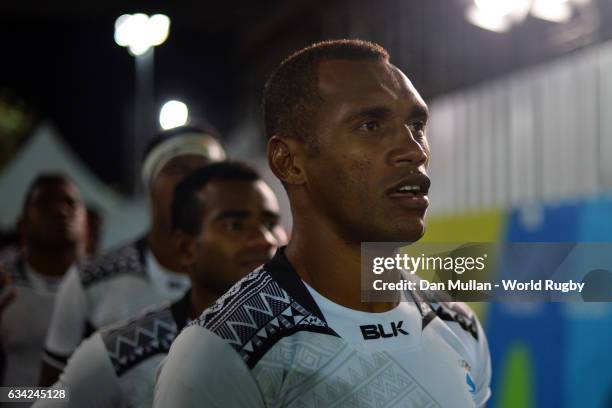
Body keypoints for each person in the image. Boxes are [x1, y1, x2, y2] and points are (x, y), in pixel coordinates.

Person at [154, 39, 491, 407]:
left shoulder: (457, 322)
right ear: (289, 162)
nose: (414, 150)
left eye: (416, 124)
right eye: (370, 125)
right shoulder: (221, 352)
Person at [32, 161, 286, 408]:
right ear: (187, 248)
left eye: (271, 223)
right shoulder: (122, 350)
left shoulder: (313, 339)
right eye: (235, 225)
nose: (264, 240)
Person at [39, 125, 226, 386]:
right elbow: (48, 394)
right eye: (179, 169)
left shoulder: (248, 281)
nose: (196, 183)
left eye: (209, 173)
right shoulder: (90, 279)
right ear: (151, 186)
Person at [1, 174, 87, 387]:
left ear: (86, 222)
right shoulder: (3, 280)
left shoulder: (109, 285)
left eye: (70, 202)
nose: (60, 210)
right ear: (22, 223)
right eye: (44, 202)